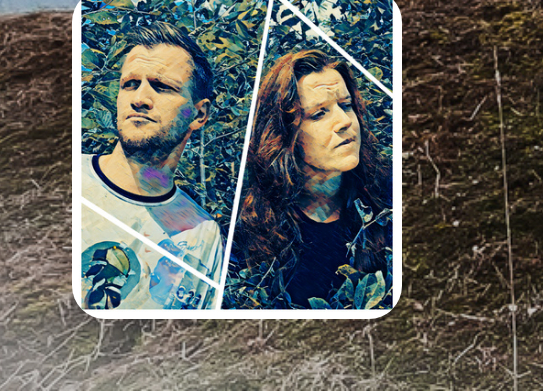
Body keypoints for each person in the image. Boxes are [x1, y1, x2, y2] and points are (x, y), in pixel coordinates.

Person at [228, 49, 392, 309]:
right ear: (285, 134)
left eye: (346, 105)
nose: (344, 121)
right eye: (319, 114)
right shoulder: (251, 227)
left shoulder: (391, 195)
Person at [78, 20, 224, 310]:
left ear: (199, 114)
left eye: (162, 87)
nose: (139, 99)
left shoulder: (203, 236)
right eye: (130, 84)